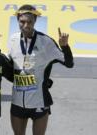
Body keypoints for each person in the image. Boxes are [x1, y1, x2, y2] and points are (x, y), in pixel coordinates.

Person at [7, 4, 74, 135]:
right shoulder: (12, 40)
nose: (26, 25)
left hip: (39, 102)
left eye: (30, 22)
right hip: (17, 102)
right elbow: (9, 66)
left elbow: (69, 63)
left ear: (35, 21)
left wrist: (65, 47)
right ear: (17, 21)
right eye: (22, 22)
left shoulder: (46, 42)